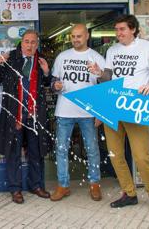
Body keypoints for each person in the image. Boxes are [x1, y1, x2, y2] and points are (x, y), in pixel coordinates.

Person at [88, 15, 149, 214]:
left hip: (136, 108)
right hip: (113, 107)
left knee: (141, 156)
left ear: (133, 29)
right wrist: (99, 73)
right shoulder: (112, 50)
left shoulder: (147, 48)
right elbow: (108, 78)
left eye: (122, 29)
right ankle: (129, 194)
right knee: (115, 154)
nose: (118, 33)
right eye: (116, 30)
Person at [0, 29, 51, 204]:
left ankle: (36, 185)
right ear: (22, 42)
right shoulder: (11, 58)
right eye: (27, 42)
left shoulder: (42, 61)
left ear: (37, 44)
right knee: (13, 152)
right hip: (14, 113)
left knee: (36, 151)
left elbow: (48, 84)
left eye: (33, 42)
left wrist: (47, 72)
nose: (30, 45)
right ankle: (15, 188)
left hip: (35, 114)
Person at [49, 24, 105, 202]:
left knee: (92, 149)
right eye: (73, 36)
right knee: (61, 150)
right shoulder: (62, 57)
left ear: (87, 36)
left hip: (88, 112)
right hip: (64, 110)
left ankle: (95, 184)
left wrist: (100, 113)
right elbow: (54, 81)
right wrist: (55, 86)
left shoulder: (96, 58)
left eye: (79, 36)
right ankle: (63, 185)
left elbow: (104, 86)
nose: (75, 39)